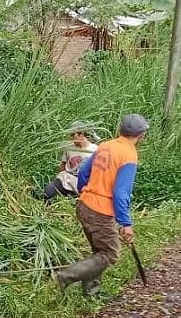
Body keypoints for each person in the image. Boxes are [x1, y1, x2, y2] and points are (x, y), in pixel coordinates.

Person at [53, 114, 149, 297]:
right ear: (142, 135)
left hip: (84, 205)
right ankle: (64, 277)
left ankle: (91, 292)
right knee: (109, 254)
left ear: (121, 130)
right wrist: (125, 223)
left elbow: (83, 173)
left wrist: (84, 192)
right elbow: (121, 192)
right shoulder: (129, 155)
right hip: (100, 211)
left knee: (99, 251)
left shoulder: (105, 146)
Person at [42, 121, 98, 203]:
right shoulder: (69, 148)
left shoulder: (95, 150)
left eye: (73, 135)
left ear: (81, 134)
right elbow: (63, 164)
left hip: (83, 182)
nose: (71, 138)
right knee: (48, 191)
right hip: (66, 179)